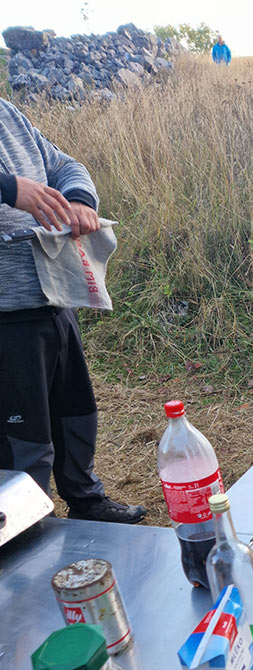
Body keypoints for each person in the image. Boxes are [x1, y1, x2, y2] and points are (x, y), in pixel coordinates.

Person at [0, 98, 146, 523]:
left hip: (55, 294)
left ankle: (86, 500)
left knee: (75, 411)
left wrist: (80, 200)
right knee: (23, 436)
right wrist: (9, 188)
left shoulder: (7, 114)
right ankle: (27, 525)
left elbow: (65, 165)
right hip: (7, 317)